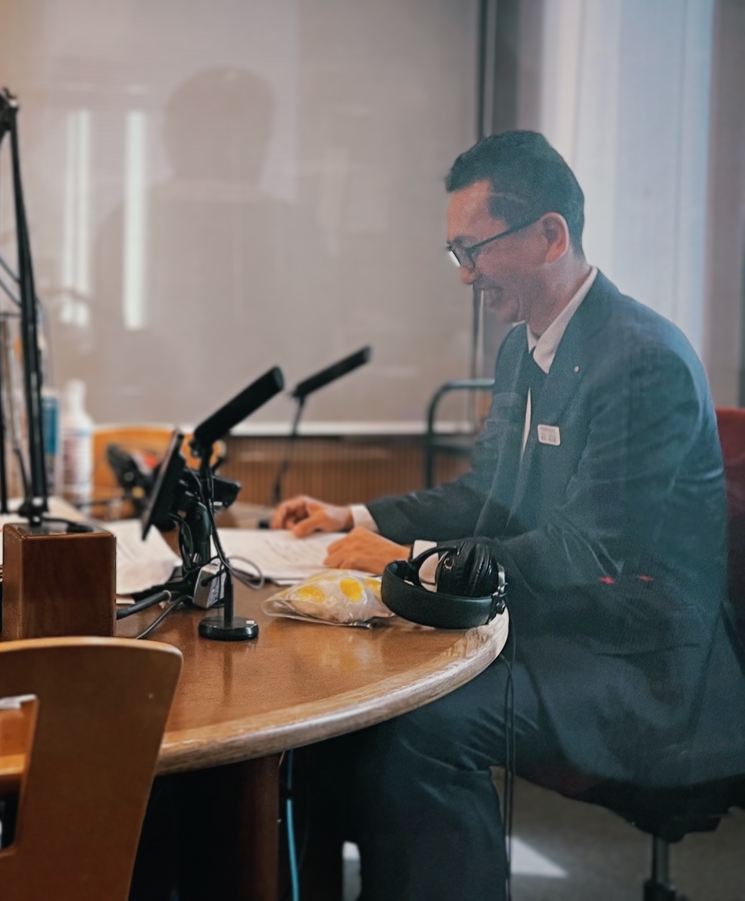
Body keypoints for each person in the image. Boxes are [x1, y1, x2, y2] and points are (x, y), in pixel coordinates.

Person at [271, 131, 745, 899]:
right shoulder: (525, 348)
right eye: (455, 253)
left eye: (475, 250)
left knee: (417, 727)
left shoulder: (642, 360)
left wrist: (413, 561)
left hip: (642, 659)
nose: (466, 275)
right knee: (342, 703)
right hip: (560, 618)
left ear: (550, 235)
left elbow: (587, 549)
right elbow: (486, 496)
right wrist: (352, 515)